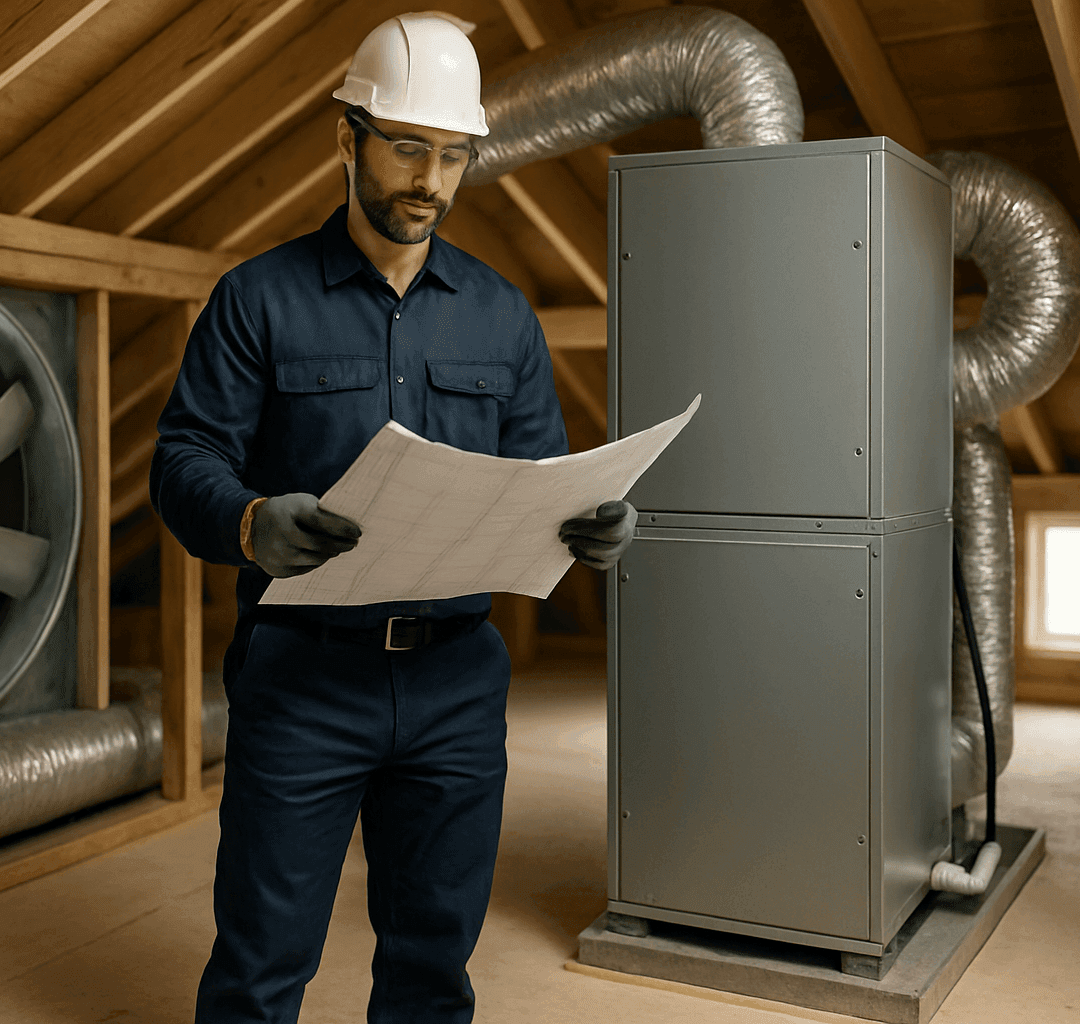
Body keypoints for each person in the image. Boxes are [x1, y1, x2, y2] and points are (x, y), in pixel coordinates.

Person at [150, 12, 638, 1022]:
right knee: (259, 963)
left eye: (454, 156)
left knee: (431, 967)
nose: (432, 179)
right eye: (410, 147)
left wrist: (593, 522)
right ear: (348, 137)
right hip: (302, 682)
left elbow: (539, 477)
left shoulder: (502, 315)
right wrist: (249, 522)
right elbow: (181, 460)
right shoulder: (256, 299)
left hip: (458, 683)